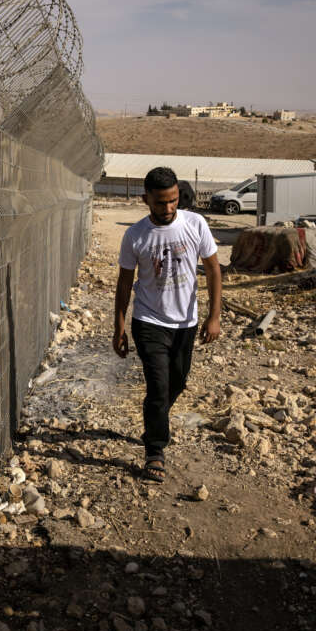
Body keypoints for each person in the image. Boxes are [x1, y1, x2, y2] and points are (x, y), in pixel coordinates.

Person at [112, 166, 222, 483]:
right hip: (148, 320)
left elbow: (214, 271)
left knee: (177, 383)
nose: (168, 208)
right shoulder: (135, 236)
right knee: (158, 387)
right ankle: (155, 450)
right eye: (161, 203)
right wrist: (119, 326)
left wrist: (214, 316)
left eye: (173, 200)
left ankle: (154, 416)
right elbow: (123, 284)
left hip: (186, 323)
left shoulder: (195, 224)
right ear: (146, 199)